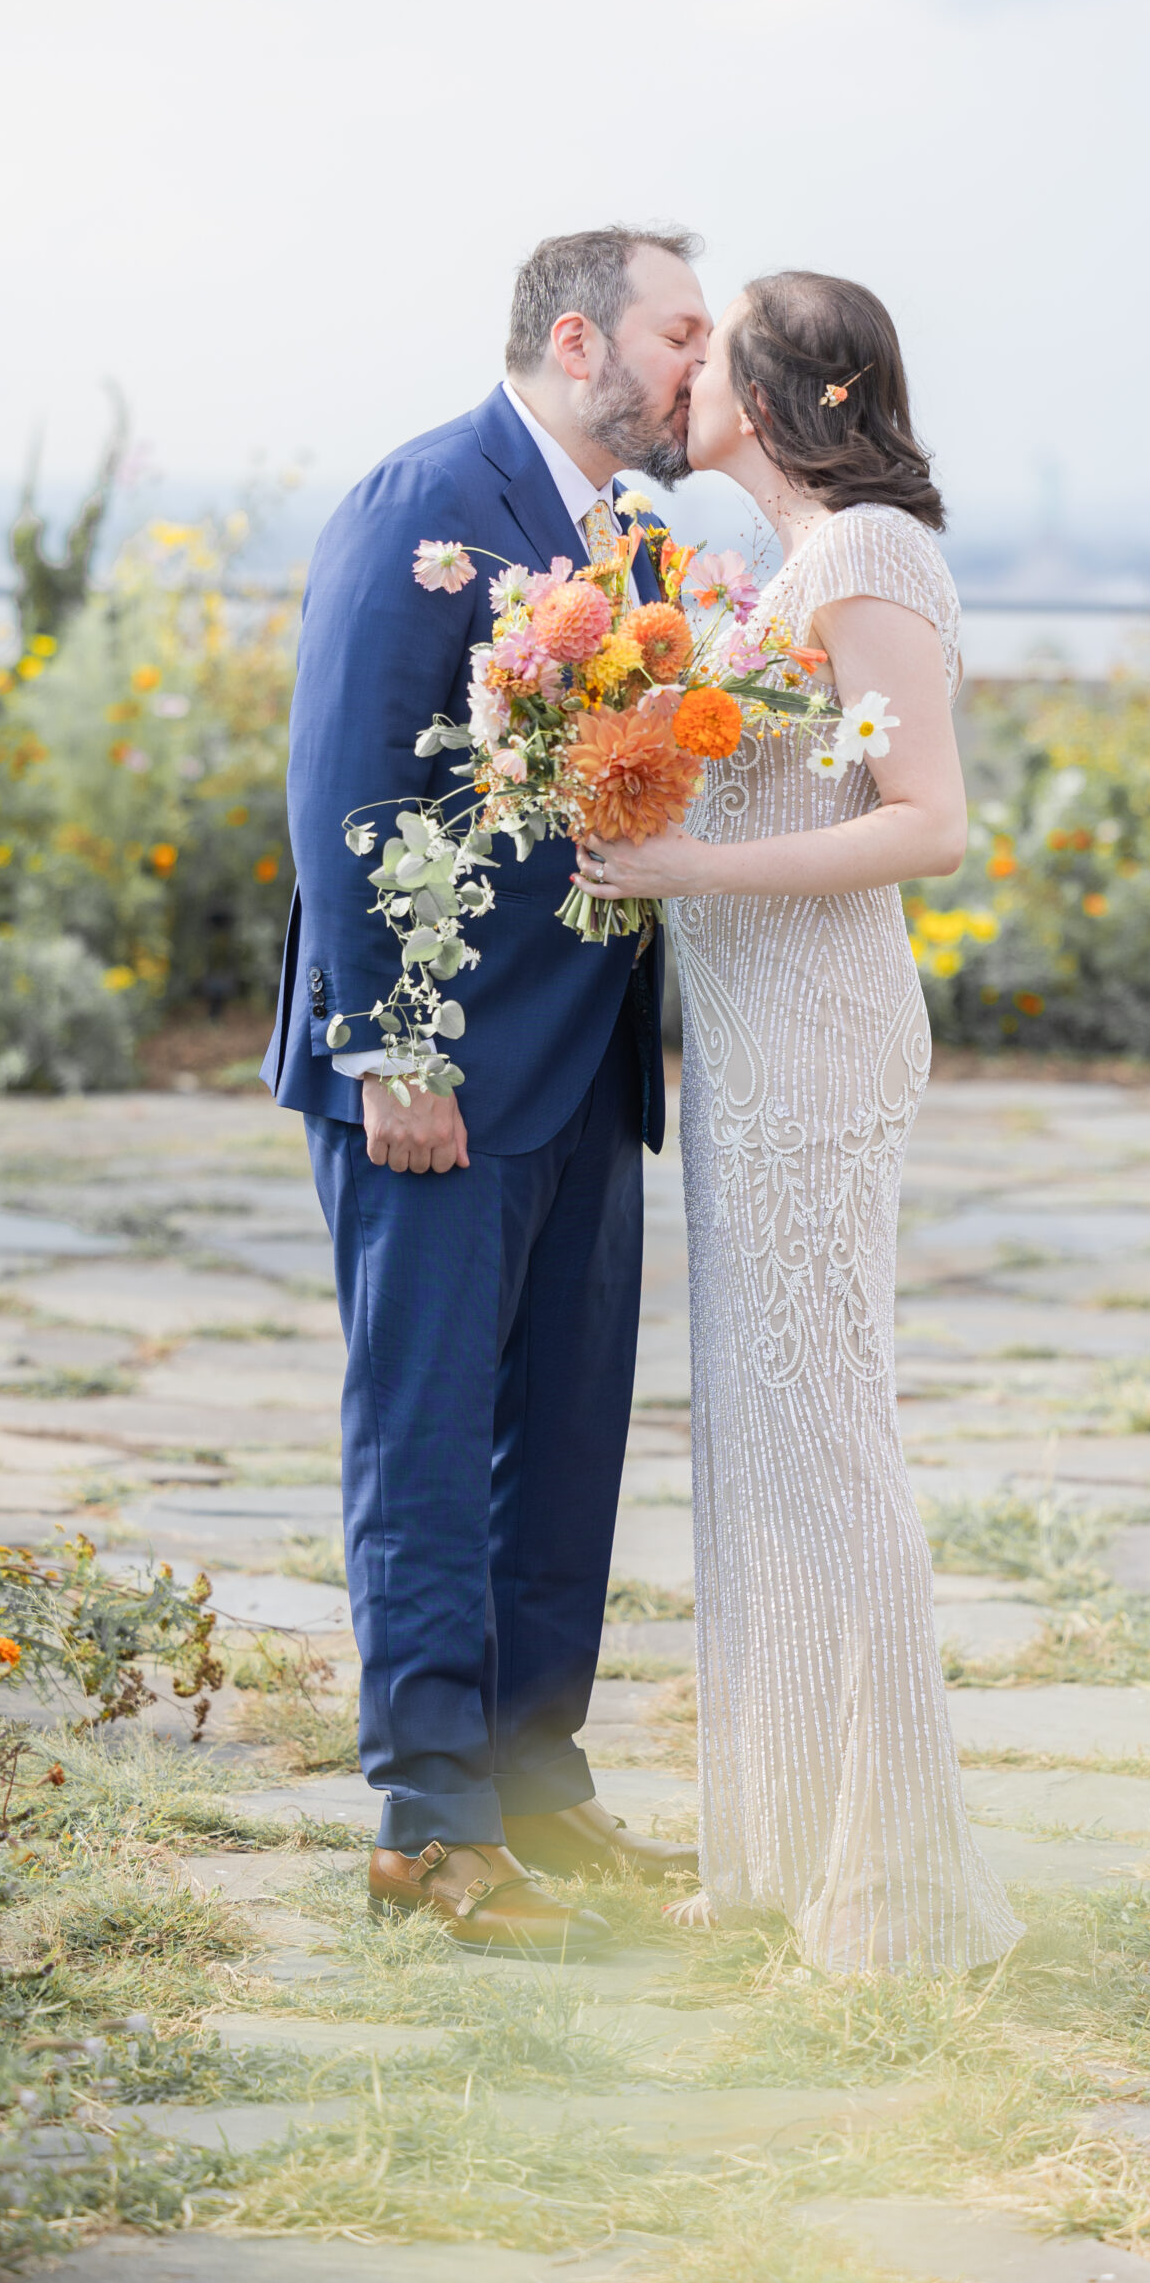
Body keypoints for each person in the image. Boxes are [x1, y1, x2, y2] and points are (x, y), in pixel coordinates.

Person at [262, 227, 712, 1950]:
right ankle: (426, 1827)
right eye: (682, 334)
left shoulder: (635, 535)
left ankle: (536, 1781)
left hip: (588, 1063)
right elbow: (346, 781)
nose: (700, 365)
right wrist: (390, 1044)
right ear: (580, 334)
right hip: (432, 1074)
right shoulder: (423, 502)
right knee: (431, 1441)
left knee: (568, 1444)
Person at [575, 272, 1023, 1973]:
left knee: (827, 1448)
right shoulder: (782, 569)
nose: (681, 370)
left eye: (711, 346)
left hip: (823, 1054)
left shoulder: (866, 559)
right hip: (749, 1056)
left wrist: (691, 862)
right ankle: (775, 1853)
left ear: (764, 396)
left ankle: (899, 1889)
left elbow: (930, 824)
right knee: (758, 1451)